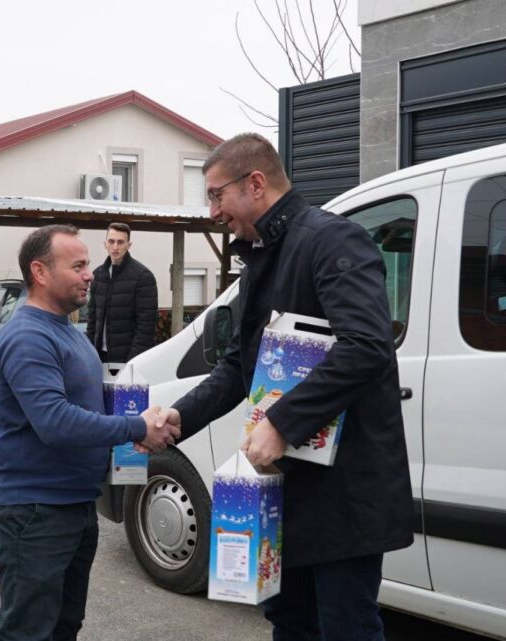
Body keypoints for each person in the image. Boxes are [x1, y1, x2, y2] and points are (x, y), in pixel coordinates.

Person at [156, 134, 414, 641]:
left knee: (346, 629)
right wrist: (180, 417)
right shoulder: (262, 257)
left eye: (214, 195)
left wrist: (281, 422)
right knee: (289, 623)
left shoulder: (331, 241)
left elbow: (366, 346)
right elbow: (238, 366)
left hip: (344, 494)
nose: (211, 211)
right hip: (283, 490)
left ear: (255, 183)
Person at [0, 224, 179, 641]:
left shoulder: (68, 331)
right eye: (77, 265)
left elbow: (88, 407)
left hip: (74, 505)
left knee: (63, 626)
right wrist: (135, 426)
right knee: (26, 630)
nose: (89, 273)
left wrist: (139, 424)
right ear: (40, 272)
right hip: (36, 512)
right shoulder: (28, 336)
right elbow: (55, 421)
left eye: (88, 264)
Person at [85, 222, 158, 363]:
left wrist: (131, 362)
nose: (115, 247)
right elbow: (92, 321)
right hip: (99, 358)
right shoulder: (97, 275)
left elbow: (146, 327)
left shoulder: (143, 277)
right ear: (105, 244)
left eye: (120, 242)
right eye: (111, 241)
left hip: (128, 360)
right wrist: (90, 354)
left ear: (129, 245)